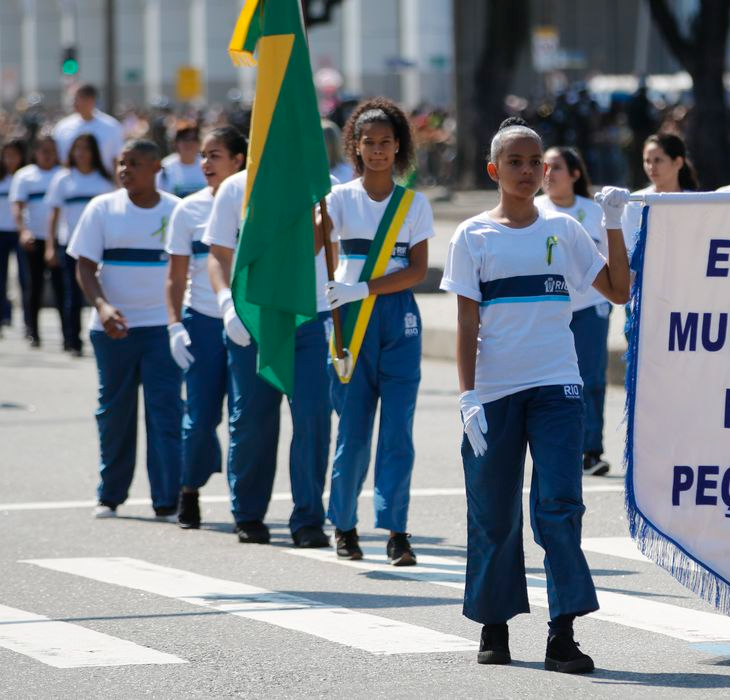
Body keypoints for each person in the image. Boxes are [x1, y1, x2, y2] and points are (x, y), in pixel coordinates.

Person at [440, 118, 631, 673]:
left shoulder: (566, 231)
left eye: (536, 163)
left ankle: (562, 634)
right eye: (516, 162)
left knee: (559, 508)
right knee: (494, 512)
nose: (528, 171)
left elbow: (618, 291)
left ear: (547, 171)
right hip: (496, 393)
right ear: (494, 170)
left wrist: (613, 223)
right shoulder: (473, 236)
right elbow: (465, 322)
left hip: (556, 388)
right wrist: (468, 396)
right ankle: (494, 627)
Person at [320, 99, 433, 565]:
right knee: (353, 430)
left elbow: (418, 271)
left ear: (399, 146)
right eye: (369, 143)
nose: (379, 151)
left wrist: (364, 287)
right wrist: (312, 210)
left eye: (387, 143)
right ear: (355, 147)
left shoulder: (414, 204)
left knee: (398, 432)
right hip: (350, 322)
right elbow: (314, 246)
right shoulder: (338, 199)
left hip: (397, 319)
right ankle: (344, 525)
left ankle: (396, 530)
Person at [203, 164, 333, 548]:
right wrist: (227, 304)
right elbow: (218, 254)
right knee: (253, 420)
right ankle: (247, 513)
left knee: (313, 418)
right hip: (254, 315)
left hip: (310, 315)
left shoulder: (324, 188)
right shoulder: (235, 188)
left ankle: (309, 518)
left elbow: (322, 247)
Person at [66, 139, 182, 520]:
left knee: (164, 413)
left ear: (155, 168)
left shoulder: (176, 210)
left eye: (134, 164)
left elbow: (185, 271)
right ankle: (111, 495)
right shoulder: (102, 208)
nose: (124, 170)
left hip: (161, 330)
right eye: (121, 163)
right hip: (112, 330)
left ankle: (167, 499)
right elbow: (84, 265)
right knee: (115, 413)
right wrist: (102, 306)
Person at [164, 126, 247, 530]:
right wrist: (174, 325)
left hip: (247, 323)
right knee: (199, 418)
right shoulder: (188, 209)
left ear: (238, 161)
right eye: (203, 156)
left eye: (215, 155)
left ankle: (242, 503)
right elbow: (175, 277)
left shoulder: (254, 205)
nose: (205, 164)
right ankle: (190, 489)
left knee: (242, 417)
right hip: (203, 321)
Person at [536, 146, 612, 477]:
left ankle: (591, 450)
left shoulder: (594, 211)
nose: (548, 174)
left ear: (575, 174)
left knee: (591, 379)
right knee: (550, 380)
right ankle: (555, 446)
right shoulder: (534, 209)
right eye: (545, 167)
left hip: (590, 306)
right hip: (549, 309)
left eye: (556, 167)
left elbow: (613, 260)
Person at [45, 134, 116, 357]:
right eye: (77, 149)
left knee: (101, 293)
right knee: (71, 294)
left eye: (86, 149)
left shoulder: (103, 181)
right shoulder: (63, 179)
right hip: (71, 244)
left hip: (100, 246)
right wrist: (50, 245)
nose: (81, 153)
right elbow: (54, 215)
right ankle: (72, 339)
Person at [10, 134, 62, 349]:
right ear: (36, 152)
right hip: (34, 238)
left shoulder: (62, 175)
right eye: (43, 150)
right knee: (34, 286)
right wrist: (23, 231)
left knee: (62, 288)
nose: (47, 155)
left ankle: (67, 335)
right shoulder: (25, 176)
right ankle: (33, 330)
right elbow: (18, 207)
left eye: (51, 150)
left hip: (59, 239)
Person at [620, 132, 697, 260]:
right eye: (647, 161)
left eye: (658, 160)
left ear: (678, 162)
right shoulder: (634, 202)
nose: (651, 167)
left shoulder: (696, 202)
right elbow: (628, 251)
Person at [52, 84, 124, 174]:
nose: (73, 103)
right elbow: (58, 159)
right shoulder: (63, 126)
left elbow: (118, 158)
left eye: (77, 98)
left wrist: (118, 181)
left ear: (91, 99)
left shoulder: (111, 126)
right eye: (72, 99)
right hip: (71, 183)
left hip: (103, 182)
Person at [0, 139, 28, 335]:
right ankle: (3, 316)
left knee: (24, 278)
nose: (10, 160)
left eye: (14, 155)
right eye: (6, 155)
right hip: (1, 232)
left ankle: (28, 322)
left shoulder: (26, 177)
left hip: (20, 232)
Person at [157, 121, 208, 198]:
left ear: (199, 143)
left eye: (193, 139)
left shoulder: (208, 165)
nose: (189, 143)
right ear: (175, 143)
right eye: (184, 139)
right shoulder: (165, 167)